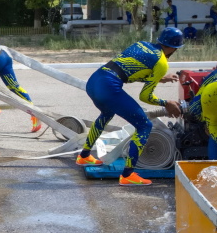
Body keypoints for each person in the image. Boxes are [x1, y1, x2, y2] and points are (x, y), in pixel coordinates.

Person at [75, 27, 184, 186]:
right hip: (108, 88)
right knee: (144, 125)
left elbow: (128, 70)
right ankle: (128, 174)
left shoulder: (141, 44)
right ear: (174, 48)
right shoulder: (161, 62)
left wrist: (159, 78)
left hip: (95, 81)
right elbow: (145, 96)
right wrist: (166, 103)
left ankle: (84, 155)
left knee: (106, 114)